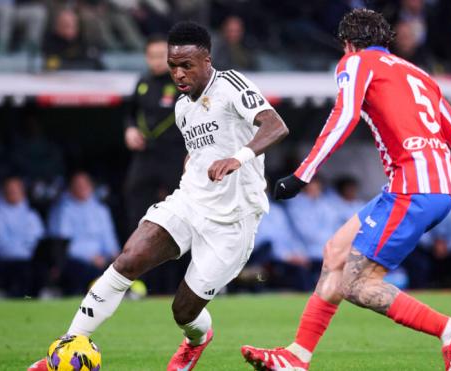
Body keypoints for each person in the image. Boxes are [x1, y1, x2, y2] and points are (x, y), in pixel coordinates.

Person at [241, 9, 451, 371]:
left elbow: (343, 116)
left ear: (347, 44)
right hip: (433, 188)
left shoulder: (355, 63)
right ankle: (297, 357)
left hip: (413, 189)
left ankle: (450, 330)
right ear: (386, 41)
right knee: (335, 253)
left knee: (357, 283)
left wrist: (302, 174)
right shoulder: (419, 74)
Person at [29, 21, 288, 371]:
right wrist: (194, 165)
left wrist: (236, 158)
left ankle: (197, 340)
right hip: (190, 202)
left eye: (187, 65)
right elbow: (200, 151)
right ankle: (65, 348)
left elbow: (275, 125)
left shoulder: (231, 85)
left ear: (207, 60)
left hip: (234, 220)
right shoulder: (182, 107)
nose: (178, 74)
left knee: (183, 311)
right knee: (128, 259)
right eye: (172, 65)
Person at [124, 34, 188, 294]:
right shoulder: (143, 82)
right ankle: (136, 275)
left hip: (175, 155)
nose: (156, 61)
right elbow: (129, 112)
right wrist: (129, 130)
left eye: (161, 56)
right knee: (134, 201)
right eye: (151, 56)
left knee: (184, 214)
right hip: (146, 155)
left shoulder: (182, 82)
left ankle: (185, 281)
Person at [48, 172, 120, 295]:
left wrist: (115, 256)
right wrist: (90, 257)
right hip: (76, 261)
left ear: (91, 187)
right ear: (71, 188)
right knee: (87, 272)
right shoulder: (63, 210)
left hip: (101, 260)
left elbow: (109, 239)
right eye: (78, 185)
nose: (82, 188)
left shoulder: (101, 210)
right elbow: (63, 244)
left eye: (85, 185)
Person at [0, 176, 44, 297]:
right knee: (21, 271)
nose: (13, 193)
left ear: (22, 192)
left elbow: (39, 239)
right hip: (8, 260)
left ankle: (33, 304)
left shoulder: (31, 215)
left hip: (30, 259)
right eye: (10, 190)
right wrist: (24, 251)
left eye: (16, 190)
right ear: (4, 193)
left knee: (40, 270)